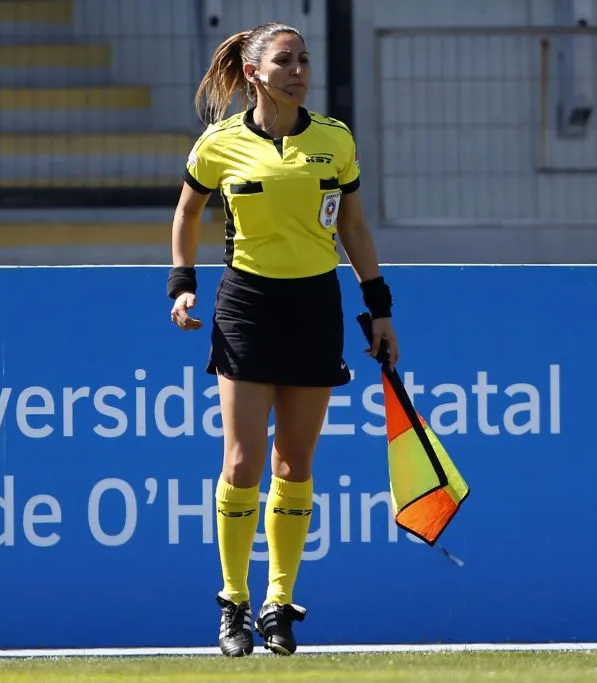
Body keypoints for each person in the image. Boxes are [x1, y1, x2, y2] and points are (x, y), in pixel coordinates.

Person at [166, 21, 400, 657]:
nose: (299, 71)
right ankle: (233, 603)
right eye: (285, 61)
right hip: (245, 306)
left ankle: (278, 604)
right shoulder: (218, 144)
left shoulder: (333, 141)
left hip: (314, 307)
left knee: (294, 465)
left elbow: (352, 225)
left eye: (303, 60)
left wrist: (378, 308)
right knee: (242, 463)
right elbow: (187, 209)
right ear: (254, 74)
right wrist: (181, 282)